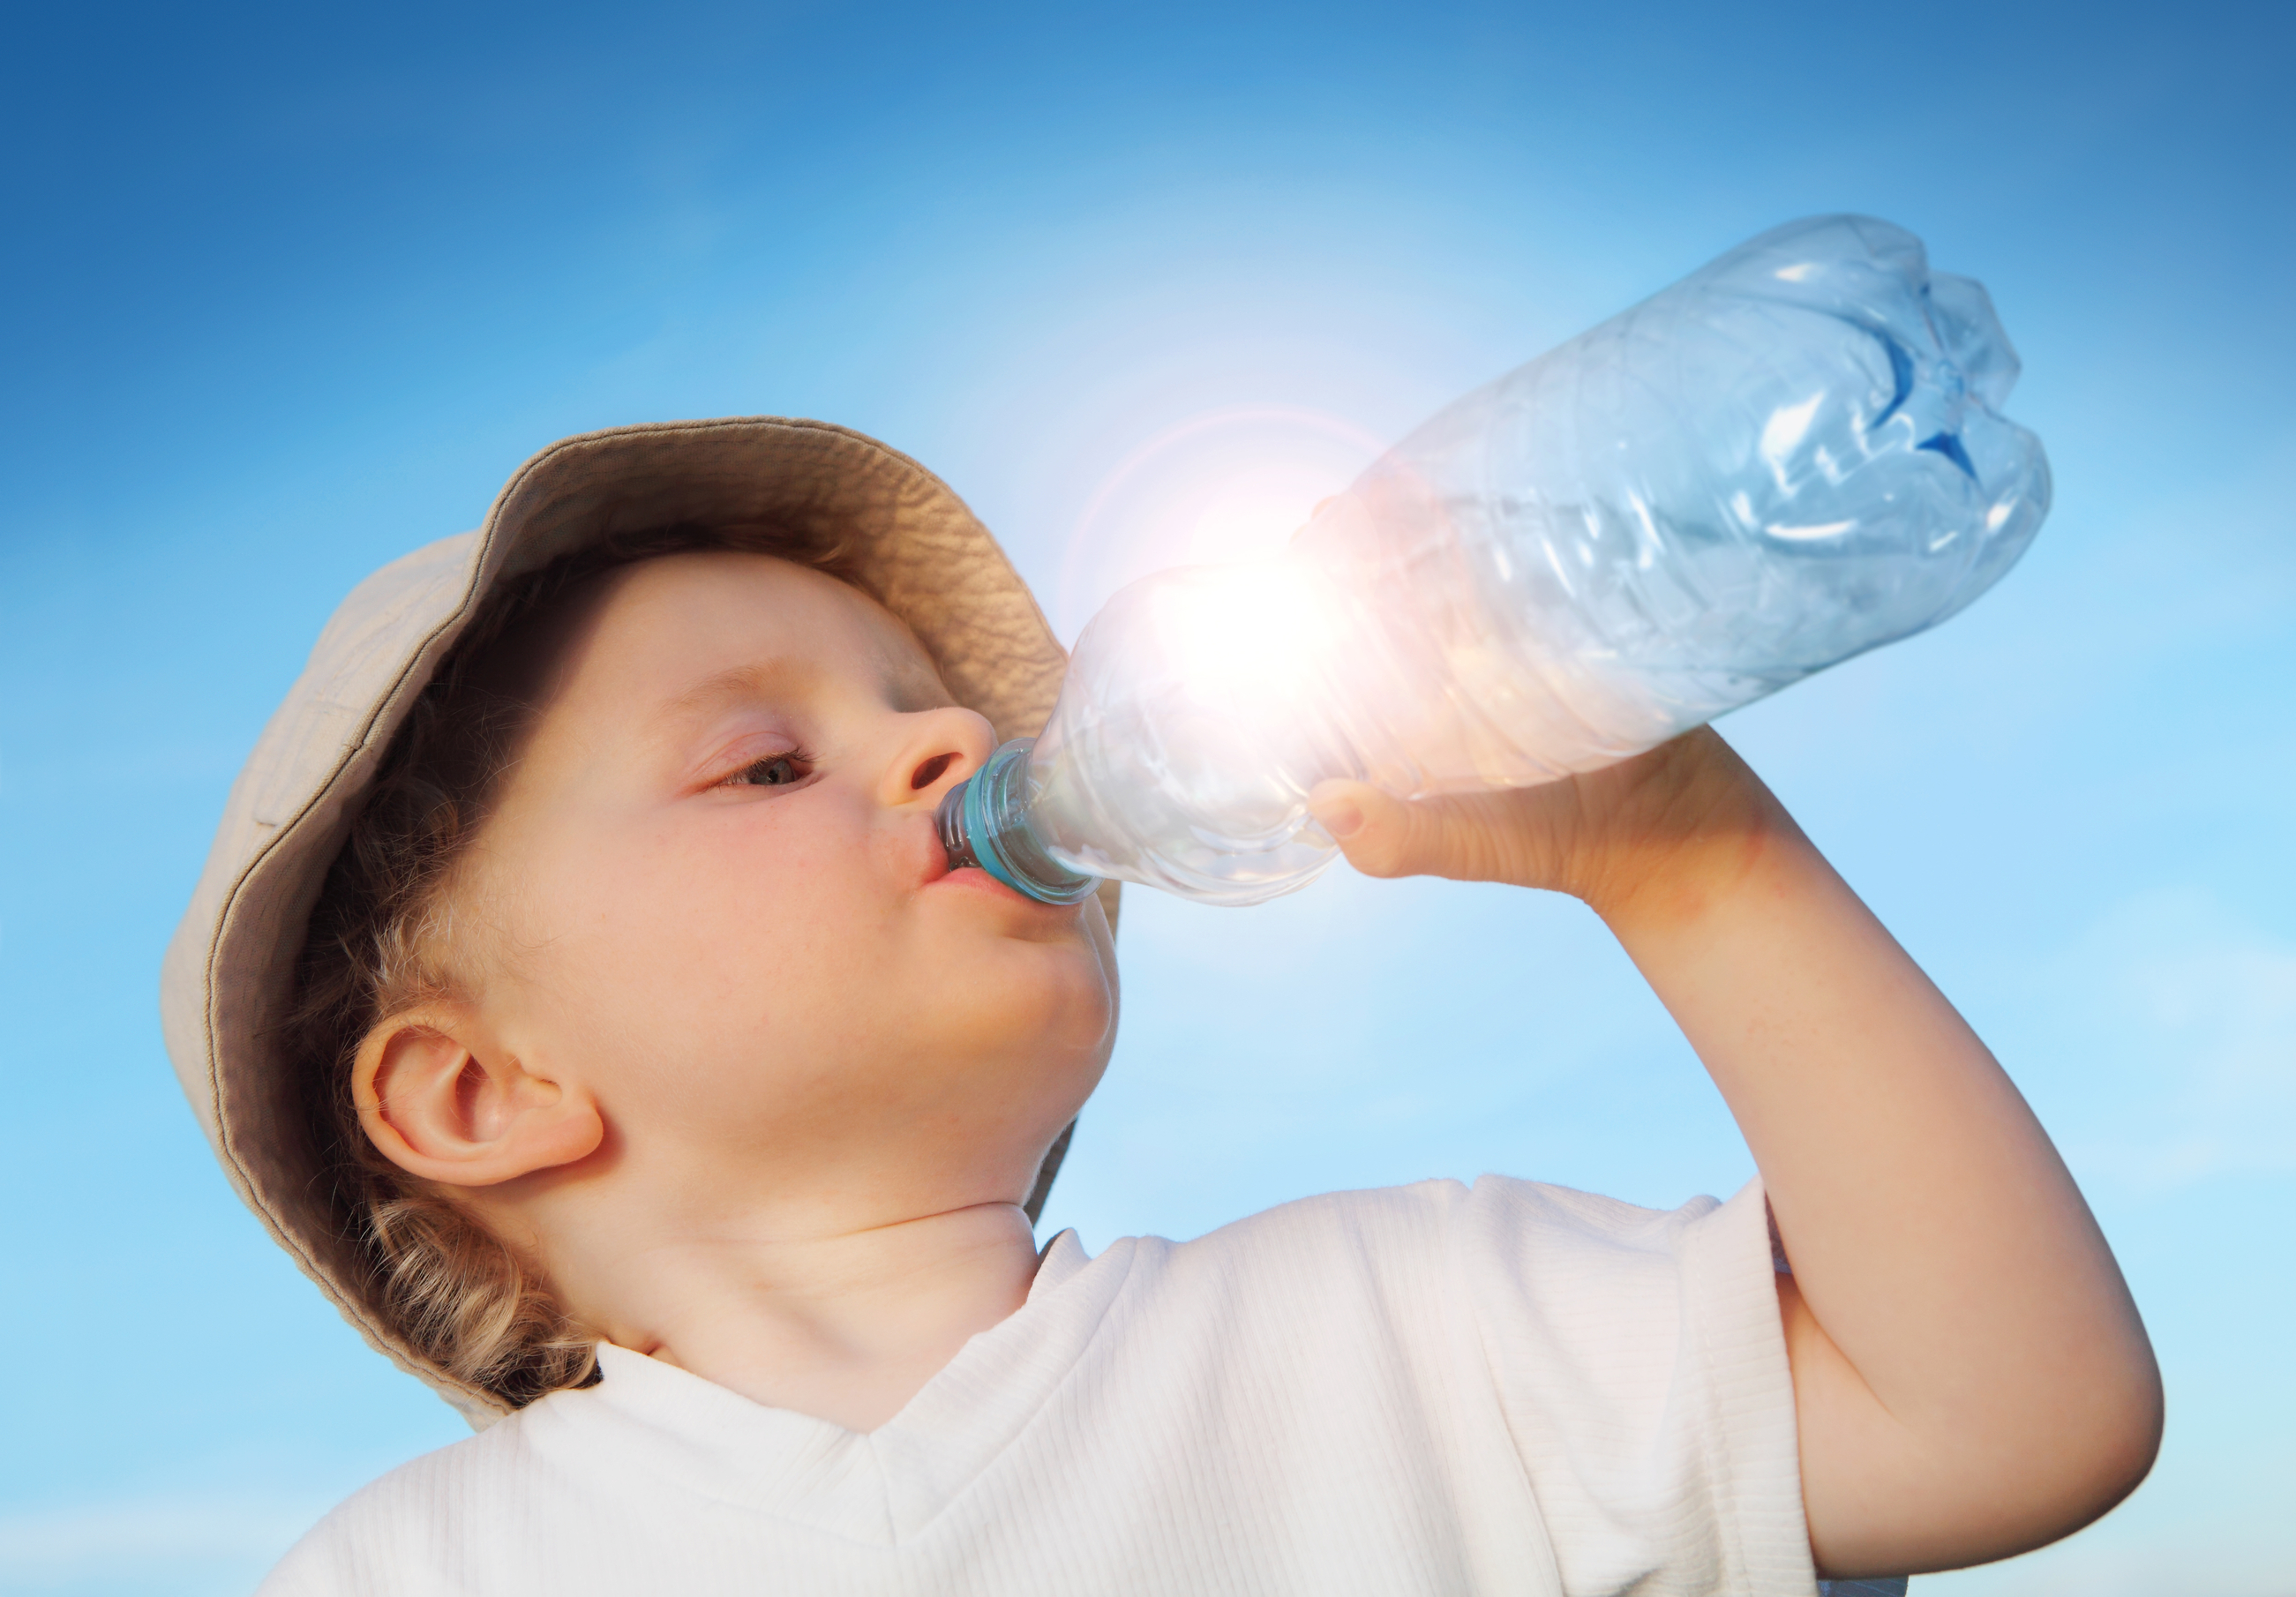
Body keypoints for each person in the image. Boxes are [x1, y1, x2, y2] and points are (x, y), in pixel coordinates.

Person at [164, 417, 2161, 1595]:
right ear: (474, 1087)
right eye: (766, 762)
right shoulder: (419, 1569)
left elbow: (2011, 1412)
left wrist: (1687, 860)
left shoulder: (1410, 1322)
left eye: (923, 698)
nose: (949, 731)